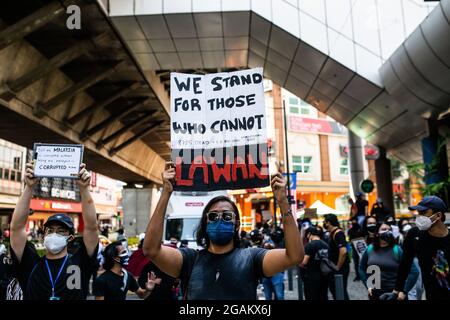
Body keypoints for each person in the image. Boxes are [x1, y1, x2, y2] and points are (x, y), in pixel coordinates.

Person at [142, 163, 303, 300]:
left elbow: (295, 256)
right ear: (205, 223)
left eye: (227, 216)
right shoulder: (189, 260)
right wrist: (165, 193)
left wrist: (282, 201)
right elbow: (151, 250)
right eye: (213, 216)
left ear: (237, 224)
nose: (220, 219)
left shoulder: (252, 258)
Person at [10, 162, 99, 300]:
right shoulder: (30, 263)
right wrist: (29, 187)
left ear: (70, 238)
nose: (53, 234)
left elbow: (91, 227)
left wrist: (84, 189)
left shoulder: (80, 262)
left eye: (61, 231)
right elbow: (16, 229)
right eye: (50, 230)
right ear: (44, 234)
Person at [385, 196, 450, 300]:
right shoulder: (414, 235)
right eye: (418, 213)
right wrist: (396, 291)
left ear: (438, 215)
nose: (419, 217)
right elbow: (405, 264)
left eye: (423, 212)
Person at [359, 222, 419, 300]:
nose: (387, 231)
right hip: (375, 294)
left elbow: (414, 272)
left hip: (394, 294)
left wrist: (404, 291)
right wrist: (368, 285)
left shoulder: (397, 250)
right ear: (377, 233)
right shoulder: (370, 249)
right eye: (384, 229)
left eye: (389, 229)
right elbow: (361, 268)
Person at [93, 241, 158, 300]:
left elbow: (141, 295)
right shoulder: (101, 281)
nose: (127, 254)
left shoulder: (127, 275)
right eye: (124, 252)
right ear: (116, 258)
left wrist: (148, 289)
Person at [323, 213, 350, 300]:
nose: (324, 223)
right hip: (335, 267)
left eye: (325, 221)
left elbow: (343, 251)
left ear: (328, 222)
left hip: (340, 268)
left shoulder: (338, 233)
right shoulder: (332, 233)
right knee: (335, 290)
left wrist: (338, 267)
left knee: (340, 291)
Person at [300, 226, 329, 300]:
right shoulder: (325, 245)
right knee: (323, 296)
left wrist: (297, 262)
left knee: (311, 297)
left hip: (311, 277)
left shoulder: (309, 245)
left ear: (309, 234)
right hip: (324, 276)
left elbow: (304, 262)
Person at [347, 217, 365, 281]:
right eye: (353, 221)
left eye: (354, 220)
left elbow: (364, 237)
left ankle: (363, 274)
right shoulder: (350, 230)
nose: (353, 222)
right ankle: (357, 275)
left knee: (363, 261)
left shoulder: (361, 229)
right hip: (354, 248)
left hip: (361, 247)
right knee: (356, 263)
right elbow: (349, 239)